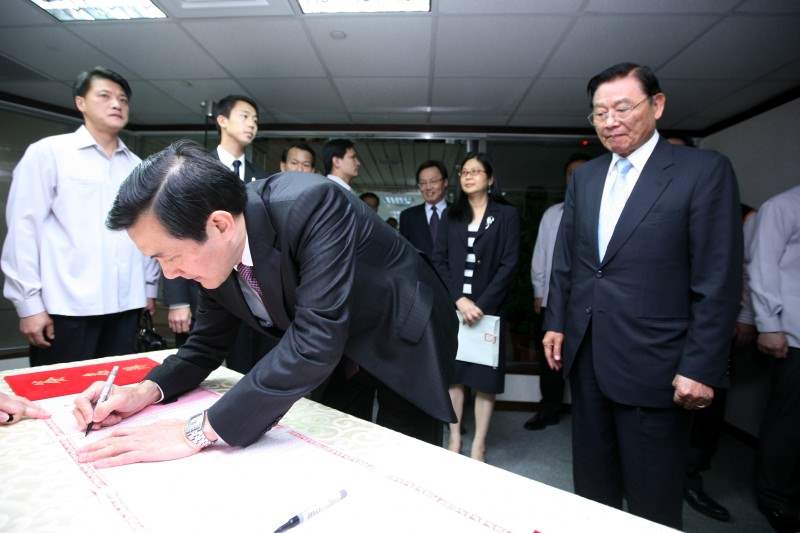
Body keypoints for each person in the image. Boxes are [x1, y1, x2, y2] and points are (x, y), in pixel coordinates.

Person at [72, 140, 457, 467]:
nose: (169, 274)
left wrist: (195, 431)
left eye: (169, 256)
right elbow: (205, 346)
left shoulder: (312, 203)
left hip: (401, 327)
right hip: (338, 346)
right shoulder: (216, 256)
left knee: (406, 454)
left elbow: (314, 341)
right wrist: (142, 392)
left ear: (219, 225)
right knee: (337, 445)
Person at [543, 63, 741, 529]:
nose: (610, 121)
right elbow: (569, 261)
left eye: (622, 108)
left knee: (653, 499)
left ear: (657, 105)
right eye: (599, 113)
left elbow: (718, 277)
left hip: (658, 364)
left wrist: (701, 366)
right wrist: (556, 322)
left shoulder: (702, 171)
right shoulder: (586, 178)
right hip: (588, 357)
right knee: (592, 491)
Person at [1, 66, 159, 366]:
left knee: (118, 387)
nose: (116, 104)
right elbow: (23, 230)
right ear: (81, 102)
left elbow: (148, 231)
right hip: (66, 307)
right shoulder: (49, 153)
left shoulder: (137, 166)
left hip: (127, 305)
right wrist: (29, 304)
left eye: (123, 99)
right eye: (105, 96)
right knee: (60, 390)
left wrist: (148, 288)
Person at [162, 94, 270, 362]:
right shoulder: (192, 170)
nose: (252, 124)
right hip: (201, 287)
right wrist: (178, 299)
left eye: (255, 120)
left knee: (248, 366)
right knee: (200, 361)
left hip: (250, 289)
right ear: (222, 120)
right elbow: (174, 234)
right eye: (244, 116)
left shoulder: (263, 178)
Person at [432, 152, 520, 462]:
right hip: (455, 309)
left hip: (488, 311)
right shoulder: (451, 215)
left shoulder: (506, 215)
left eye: (476, 171)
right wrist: (459, 298)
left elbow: (510, 264)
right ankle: (455, 438)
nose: (468, 176)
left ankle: (479, 445)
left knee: (484, 380)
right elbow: (439, 260)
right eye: (464, 172)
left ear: (490, 179)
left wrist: (481, 305)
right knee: (454, 376)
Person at [748, 184, 800, 533]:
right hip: (792, 332)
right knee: (789, 422)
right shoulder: (782, 206)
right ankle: (775, 497)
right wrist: (768, 324)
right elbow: (762, 265)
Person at [524, 154, 589, 431]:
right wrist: (539, 292)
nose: (576, 178)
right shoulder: (553, 214)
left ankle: (588, 416)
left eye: (581, 173)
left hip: (588, 303)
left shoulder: (603, 210)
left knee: (586, 361)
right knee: (550, 358)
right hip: (553, 300)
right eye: (571, 173)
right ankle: (549, 409)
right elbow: (540, 255)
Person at [400, 160, 449, 257]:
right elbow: (404, 252)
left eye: (433, 181)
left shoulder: (461, 213)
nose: (428, 187)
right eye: (422, 183)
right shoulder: (407, 216)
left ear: (445, 182)